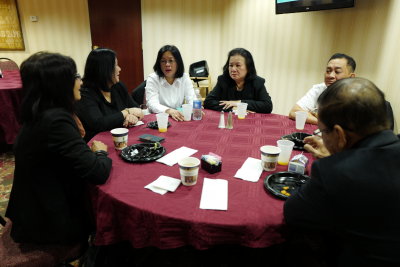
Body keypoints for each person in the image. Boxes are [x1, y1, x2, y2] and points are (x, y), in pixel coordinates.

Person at [284, 77, 400, 266]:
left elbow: (294, 213)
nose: (321, 136)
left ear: (339, 134)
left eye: (322, 131)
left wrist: (332, 159)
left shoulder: (335, 171)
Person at [5, 52, 112, 247]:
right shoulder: (56, 121)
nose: (80, 82)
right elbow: (98, 172)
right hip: (49, 223)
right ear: (58, 84)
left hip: (32, 208)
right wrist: (101, 152)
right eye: (75, 76)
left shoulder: (37, 113)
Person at [76, 48, 143, 142]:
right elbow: (98, 124)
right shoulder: (85, 93)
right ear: (104, 69)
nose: (120, 69)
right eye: (116, 65)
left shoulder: (118, 86)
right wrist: (126, 112)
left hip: (122, 139)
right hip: (99, 144)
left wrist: (131, 117)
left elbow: (137, 109)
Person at [288, 53, 356, 125]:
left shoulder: (359, 97)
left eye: (337, 72)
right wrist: (322, 123)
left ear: (351, 77)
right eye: (328, 71)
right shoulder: (319, 89)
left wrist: (315, 115)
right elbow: (294, 111)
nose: (330, 75)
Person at [203, 48, 272, 113]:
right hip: (228, 121)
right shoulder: (223, 80)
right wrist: (233, 108)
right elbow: (208, 102)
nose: (233, 69)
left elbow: (267, 106)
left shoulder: (257, 82)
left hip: (250, 122)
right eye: (231, 65)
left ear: (248, 67)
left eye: (238, 65)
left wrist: (239, 103)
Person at [145, 45, 195, 121]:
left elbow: (191, 98)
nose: (167, 64)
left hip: (177, 117)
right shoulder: (153, 78)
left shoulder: (184, 77)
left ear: (178, 63)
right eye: (163, 61)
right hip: (158, 118)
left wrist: (195, 108)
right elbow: (152, 104)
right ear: (159, 63)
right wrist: (169, 111)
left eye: (171, 61)